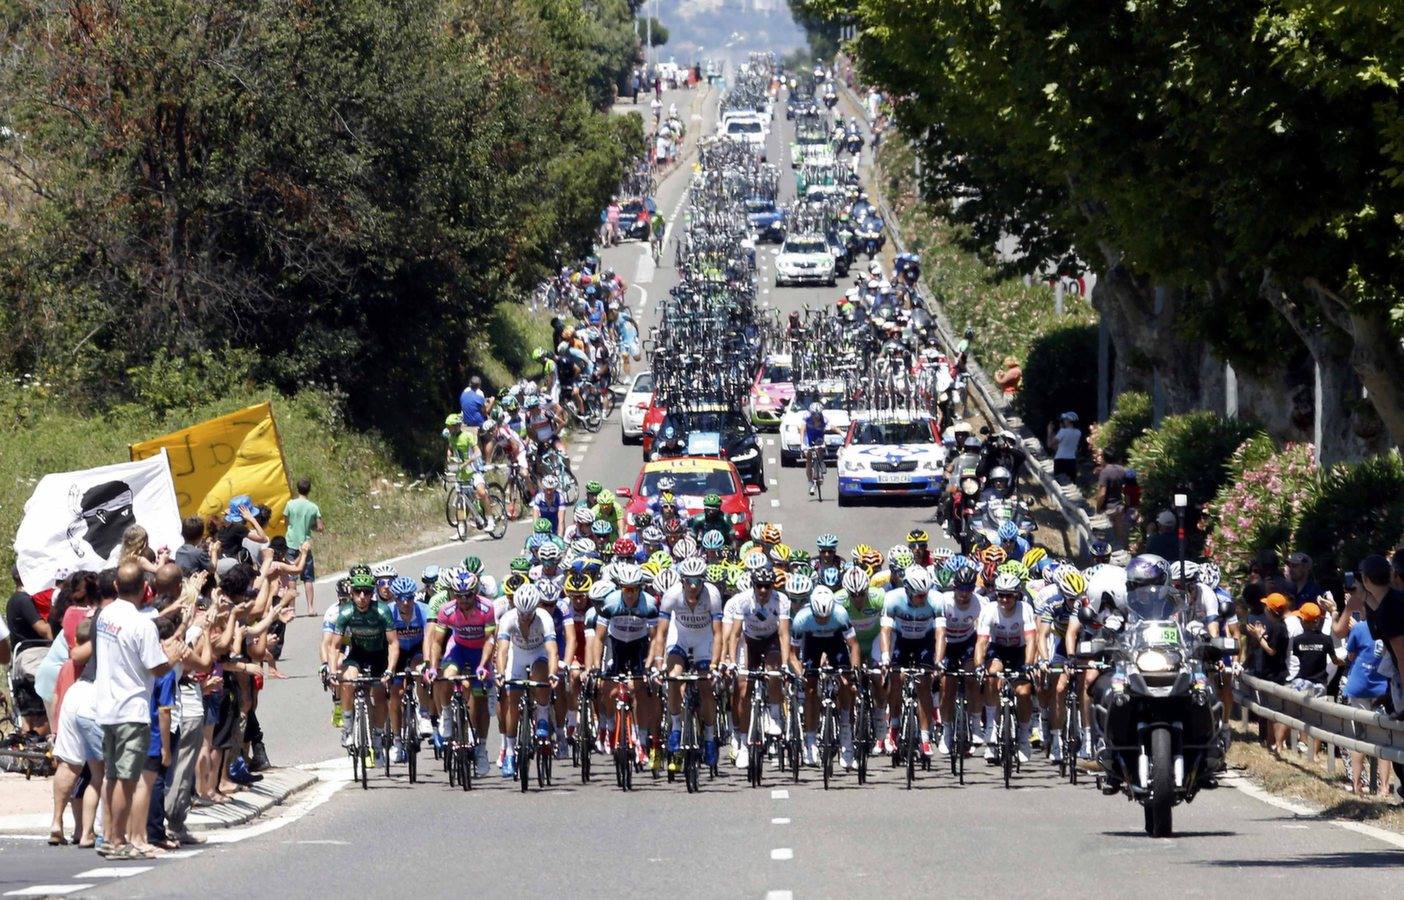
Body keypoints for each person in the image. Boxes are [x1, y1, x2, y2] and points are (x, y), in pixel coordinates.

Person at [94, 561, 186, 860]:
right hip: (131, 709)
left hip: (106, 707)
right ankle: (118, 841)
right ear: (145, 589)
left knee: (112, 776)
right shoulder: (141, 624)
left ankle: (109, 836)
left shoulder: (105, 615)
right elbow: (157, 668)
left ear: (117, 587)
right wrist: (172, 657)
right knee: (127, 779)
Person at [1341, 617, 1392, 797]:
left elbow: (1350, 655)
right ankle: (1384, 787)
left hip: (1360, 685)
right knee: (1383, 738)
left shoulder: (1360, 627)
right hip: (1382, 688)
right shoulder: (1391, 626)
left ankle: (1356, 783)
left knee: (1360, 736)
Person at [1245, 592, 1291, 753]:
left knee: (1275, 712)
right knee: (1269, 711)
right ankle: (1271, 742)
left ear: (1270, 611)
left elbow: (1271, 650)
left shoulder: (1279, 627)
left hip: (1275, 674)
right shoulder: (1276, 626)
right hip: (1270, 672)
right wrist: (1259, 635)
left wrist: (1259, 637)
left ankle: (1277, 744)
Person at [282, 477, 324, 616]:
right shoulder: (313, 507)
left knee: (291, 577)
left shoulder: (290, 504)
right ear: (309, 490)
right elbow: (319, 527)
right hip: (305, 545)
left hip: (290, 542)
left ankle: (292, 610)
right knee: (308, 578)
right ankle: (310, 608)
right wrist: (310, 525)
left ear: (297, 488)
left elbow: (286, 522)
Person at [1092, 450, 1128, 546]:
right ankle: (1124, 550)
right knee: (1121, 532)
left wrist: (1098, 508)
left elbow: (1102, 493)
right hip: (1120, 506)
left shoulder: (1105, 472)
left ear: (1104, 458)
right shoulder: (1122, 470)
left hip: (1108, 508)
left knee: (1110, 536)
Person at [1047, 413, 1081, 484]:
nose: (1064, 421)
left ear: (1069, 421)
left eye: (1065, 419)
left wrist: (1049, 431)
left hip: (1060, 460)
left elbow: (1050, 444)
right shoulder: (1078, 432)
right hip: (1072, 460)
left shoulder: (1062, 432)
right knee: (1071, 483)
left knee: (1059, 483)